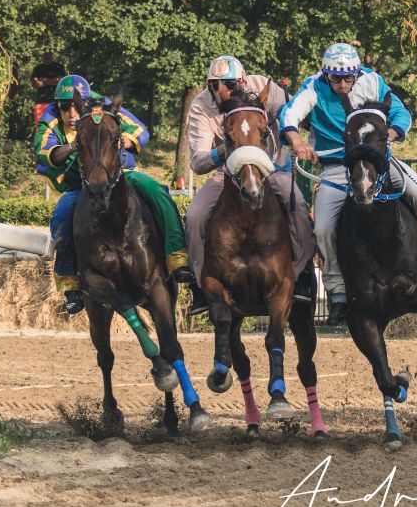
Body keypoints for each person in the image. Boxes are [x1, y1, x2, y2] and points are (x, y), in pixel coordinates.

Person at [279, 43, 417, 326]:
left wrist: (387, 135)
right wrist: (298, 143)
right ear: (326, 74)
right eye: (336, 79)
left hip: (377, 160)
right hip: (336, 166)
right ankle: (338, 289)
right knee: (323, 227)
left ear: (356, 73)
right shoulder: (313, 87)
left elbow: (401, 114)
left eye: (348, 78)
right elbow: (289, 115)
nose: (343, 84)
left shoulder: (372, 80)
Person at [34, 75, 193, 315]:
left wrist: (125, 142)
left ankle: (178, 257)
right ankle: (70, 284)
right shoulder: (49, 120)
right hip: (81, 183)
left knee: (157, 192)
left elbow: (140, 130)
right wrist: (73, 146)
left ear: (88, 102)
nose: (71, 112)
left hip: (121, 176)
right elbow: (45, 153)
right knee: (63, 212)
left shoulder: (105, 107)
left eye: (76, 106)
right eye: (64, 107)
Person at [183, 55, 316, 316]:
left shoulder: (265, 86)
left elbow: (290, 116)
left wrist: (295, 141)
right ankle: (199, 286)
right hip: (228, 174)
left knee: (298, 206)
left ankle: (301, 276)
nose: (221, 90)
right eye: (214, 84)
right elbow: (198, 162)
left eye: (229, 84)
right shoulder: (200, 106)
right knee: (195, 215)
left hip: (270, 168)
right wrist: (233, 147)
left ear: (242, 81)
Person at [29, 52, 66, 125]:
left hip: (56, 101)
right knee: (40, 126)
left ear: (52, 56)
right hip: (41, 101)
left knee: (56, 126)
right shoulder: (37, 68)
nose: (47, 58)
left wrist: (43, 80)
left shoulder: (59, 67)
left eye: (49, 56)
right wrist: (52, 81)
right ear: (42, 57)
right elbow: (35, 83)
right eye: (45, 56)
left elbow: (61, 81)